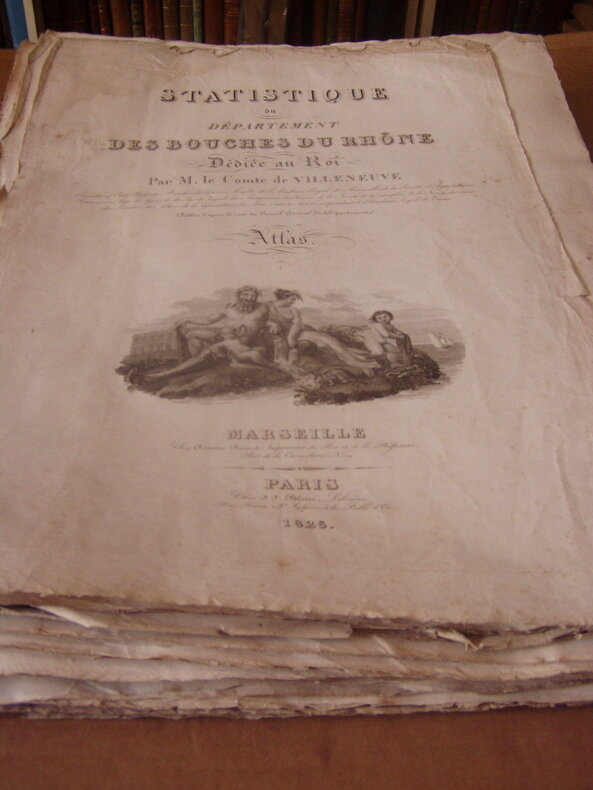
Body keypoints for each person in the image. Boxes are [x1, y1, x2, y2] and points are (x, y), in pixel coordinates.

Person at [148, 286, 271, 380]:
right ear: (239, 296)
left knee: (208, 352)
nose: (249, 298)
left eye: (253, 296)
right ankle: (196, 362)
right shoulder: (229, 308)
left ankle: (192, 364)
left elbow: (268, 321)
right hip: (225, 338)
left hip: (241, 343)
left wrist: (273, 325)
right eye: (246, 295)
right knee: (193, 334)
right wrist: (189, 320)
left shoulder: (263, 308)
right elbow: (209, 320)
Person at [267, 289, 378, 371]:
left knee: (332, 341)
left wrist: (291, 337)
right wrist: (272, 324)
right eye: (292, 299)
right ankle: (363, 363)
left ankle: (363, 362)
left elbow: (297, 324)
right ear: (284, 298)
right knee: (327, 344)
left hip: (297, 332)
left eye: (294, 299)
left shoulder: (293, 309)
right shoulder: (269, 307)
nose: (293, 302)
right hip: (281, 334)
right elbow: (263, 320)